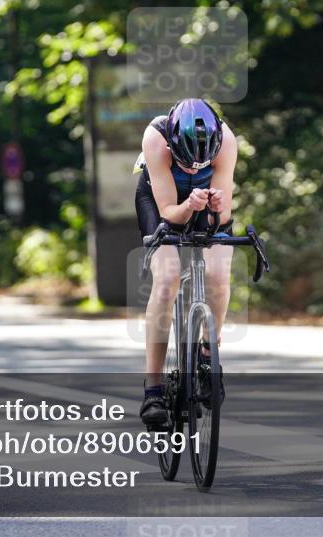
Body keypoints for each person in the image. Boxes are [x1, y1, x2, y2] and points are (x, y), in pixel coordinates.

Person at [134, 98, 238, 429]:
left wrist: (214, 206)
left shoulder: (227, 141)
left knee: (218, 274)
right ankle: (153, 388)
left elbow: (220, 216)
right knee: (167, 280)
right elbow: (169, 212)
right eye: (187, 161)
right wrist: (190, 206)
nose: (194, 168)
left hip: (203, 203)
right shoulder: (156, 138)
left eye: (201, 163)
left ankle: (208, 354)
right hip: (162, 202)